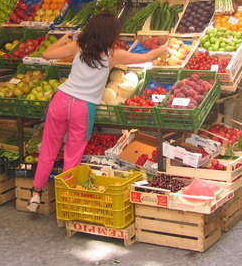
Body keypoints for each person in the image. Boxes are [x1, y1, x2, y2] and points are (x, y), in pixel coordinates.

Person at [26, 13, 168, 212]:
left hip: (60, 100)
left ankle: (35, 194)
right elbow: (148, 56)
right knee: (72, 155)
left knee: (48, 151)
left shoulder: (78, 47)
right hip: (82, 108)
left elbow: (46, 54)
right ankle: (67, 202)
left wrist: (61, 39)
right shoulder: (113, 54)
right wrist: (166, 45)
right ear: (112, 34)